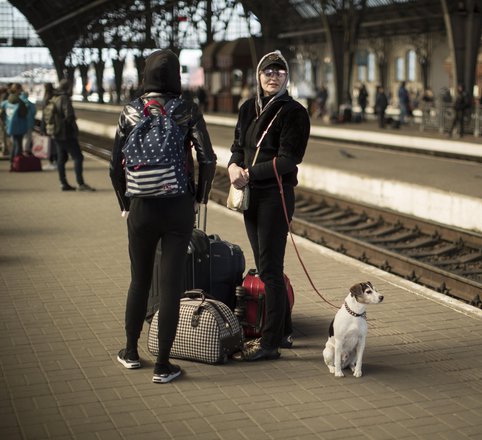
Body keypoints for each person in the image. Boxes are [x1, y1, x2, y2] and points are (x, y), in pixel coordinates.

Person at [110, 49, 217, 383]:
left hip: (140, 206)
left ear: (146, 75)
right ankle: (163, 365)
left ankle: (130, 351)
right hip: (178, 206)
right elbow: (208, 159)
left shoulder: (130, 111)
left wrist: (125, 203)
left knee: (139, 279)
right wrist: (199, 198)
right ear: (175, 77)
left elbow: (116, 165)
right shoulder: (187, 109)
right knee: (171, 285)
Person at [227, 50, 310, 362]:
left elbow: (290, 159)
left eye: (279, 71)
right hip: (251, 196)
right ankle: (284, 331)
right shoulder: (249, 108)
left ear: (287, 77)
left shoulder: (295, 112)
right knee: (266, 267)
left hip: (276, 195)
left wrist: (249, 173)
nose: (273, 76)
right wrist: (233, 167)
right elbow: (238, 146)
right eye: (267, 71)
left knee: (270, 271)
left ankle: (270, 343)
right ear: (258, 76)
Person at [50, 79, 95, 191]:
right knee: (78, 157)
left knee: (61, 158)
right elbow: (69, 116)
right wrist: (74, 129)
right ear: (68, 88)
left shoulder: (54, 98)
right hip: (66, 134)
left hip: (56, 132)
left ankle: (63, 183)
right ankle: (81, 184)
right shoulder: (65, 99)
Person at [1, 84, 32, 166]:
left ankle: (12, 160)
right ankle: (17, 162)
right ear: (17, 90)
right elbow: (23, 113)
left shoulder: (7, 101)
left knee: (14, 143)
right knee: (18, 144)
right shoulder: (20, 102)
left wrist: (5, 121)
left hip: (10, 125)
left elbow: (2, 112)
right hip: (19, 125)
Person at [40, 83, 57, 170]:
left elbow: (45, 114)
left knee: (50, 144)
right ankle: (55, 161)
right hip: (53, 124)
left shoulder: (46, 97)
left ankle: (52, 161)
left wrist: (42, 127)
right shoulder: (54, 97)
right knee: (54, 143)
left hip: (48, 124)